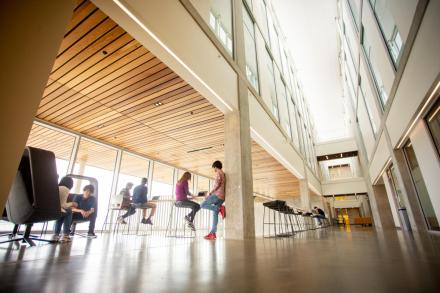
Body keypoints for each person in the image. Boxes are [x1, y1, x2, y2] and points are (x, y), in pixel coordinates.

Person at [201, 160, 226, 240]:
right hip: (222, 198)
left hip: (217, 195)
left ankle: (220, 208)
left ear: (215, 167)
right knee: (215, 215)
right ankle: (213, 233)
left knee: (202, 205)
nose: (214, 170)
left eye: (214, 168)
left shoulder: (218, 172)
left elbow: (217, 184)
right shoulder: (223, 173)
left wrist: (210, 193)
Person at [53, 176, 77, 242]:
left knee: (63, 213)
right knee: (69, 211)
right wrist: (72, 203)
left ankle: (56, 234)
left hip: (51, 209)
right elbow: (63, 205)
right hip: (55, 210)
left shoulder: (57, 187)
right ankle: (65, 235)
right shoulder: (65, 189)